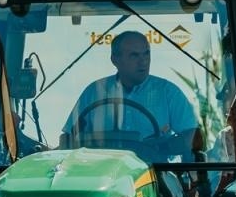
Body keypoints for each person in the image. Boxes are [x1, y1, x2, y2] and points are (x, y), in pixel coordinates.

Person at [61, 31, 199, 162]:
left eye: (146, 54)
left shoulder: (167, 92)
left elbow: (192, 135)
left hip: (154, 173)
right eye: (134, 55)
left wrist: (160, 147)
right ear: (115, 59)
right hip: (100, 176)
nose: (143, 61)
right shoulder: (94, 92)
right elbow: (68, 137)